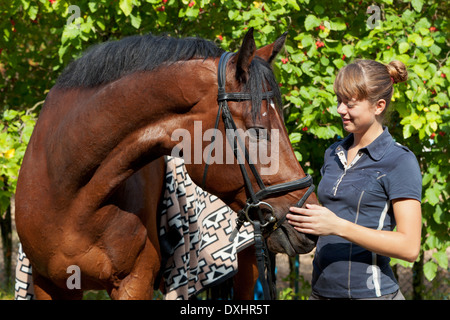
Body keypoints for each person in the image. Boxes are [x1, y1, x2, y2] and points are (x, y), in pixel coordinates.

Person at [287, 59, 422, 300]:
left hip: (372, 295)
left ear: (378, 106)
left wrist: (338, 227)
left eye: (349, 104)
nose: (340, 109)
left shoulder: (400, 161)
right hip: (320, 293)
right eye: (339, 101)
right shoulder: (332, 153)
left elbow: (410, 247)